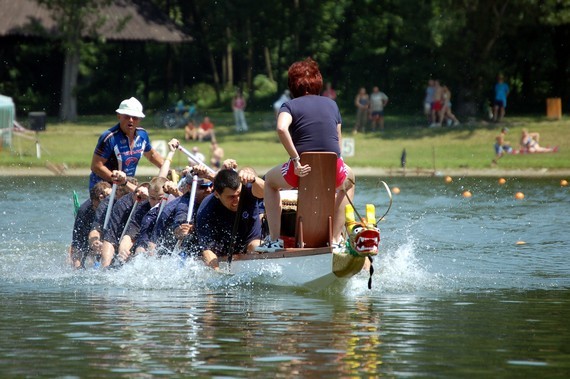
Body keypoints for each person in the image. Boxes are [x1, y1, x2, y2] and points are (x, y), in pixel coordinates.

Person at [257, 57, 355, 253]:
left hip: (300, 169)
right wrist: (339, 166)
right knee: (350, 181)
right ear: (318, 82)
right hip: (333, 169)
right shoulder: (332, 105)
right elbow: (337, 140)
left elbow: (281, 128)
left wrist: (295, 159)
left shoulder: (290, 106)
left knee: (269, 182)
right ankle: (335, 240)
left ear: (292, 85)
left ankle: (274, 240)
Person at [195, 168, 264, 270]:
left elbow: (266, 192)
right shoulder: (206, 209)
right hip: (220, 252)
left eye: (239, 195)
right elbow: (207, 251)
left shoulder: (248, 189)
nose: (237, 201)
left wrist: (254, 180)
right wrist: (218, 274)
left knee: (256, 245)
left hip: (251, 243)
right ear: (217, 194)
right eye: (231, 197)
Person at [89, 97, 164, 190]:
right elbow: (96, 166)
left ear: (140, 119)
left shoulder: (142, 135)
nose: (131, 120)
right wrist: (116, 179)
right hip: (103, 189)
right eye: (127, 116)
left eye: (135, 117)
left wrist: (168, 170)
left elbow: (152, 155)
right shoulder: (109, 137)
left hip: (125, 186)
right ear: (119, 116)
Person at [69, 181, 111, 268]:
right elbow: (77, 242)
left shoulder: (115, 205)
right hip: (89, 232)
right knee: (79, 258)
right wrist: (77, 267)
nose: (98, 211)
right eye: (96, 207)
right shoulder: (84, 210)